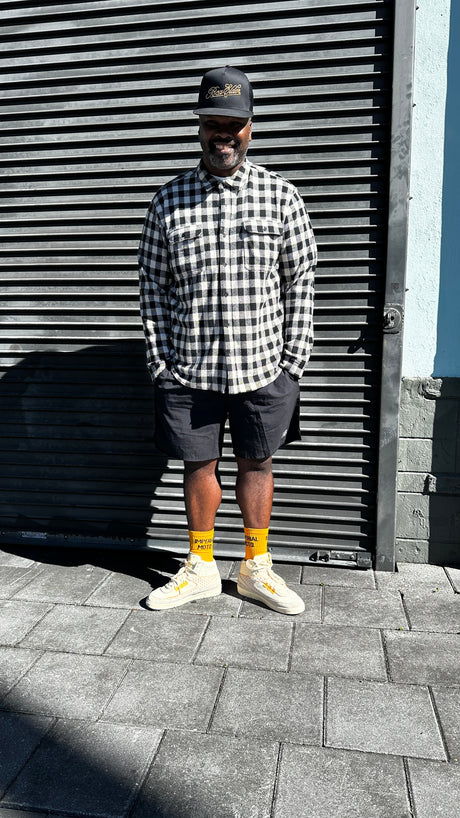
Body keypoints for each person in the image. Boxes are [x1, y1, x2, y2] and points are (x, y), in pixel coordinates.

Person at [138, 66, 316, 614]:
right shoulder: (168, 201)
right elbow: (153, 286)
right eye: (213, 123)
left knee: (257, 463)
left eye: (233, 124)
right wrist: (161, 362)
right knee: (198, 466)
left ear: (250, 128)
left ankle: (256, 567)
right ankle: (201, 568)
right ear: (199, 128)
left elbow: (301, 280)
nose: (223, 134)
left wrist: (293, 362)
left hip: (263, 365)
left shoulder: (281, 197)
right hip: (190, 368)